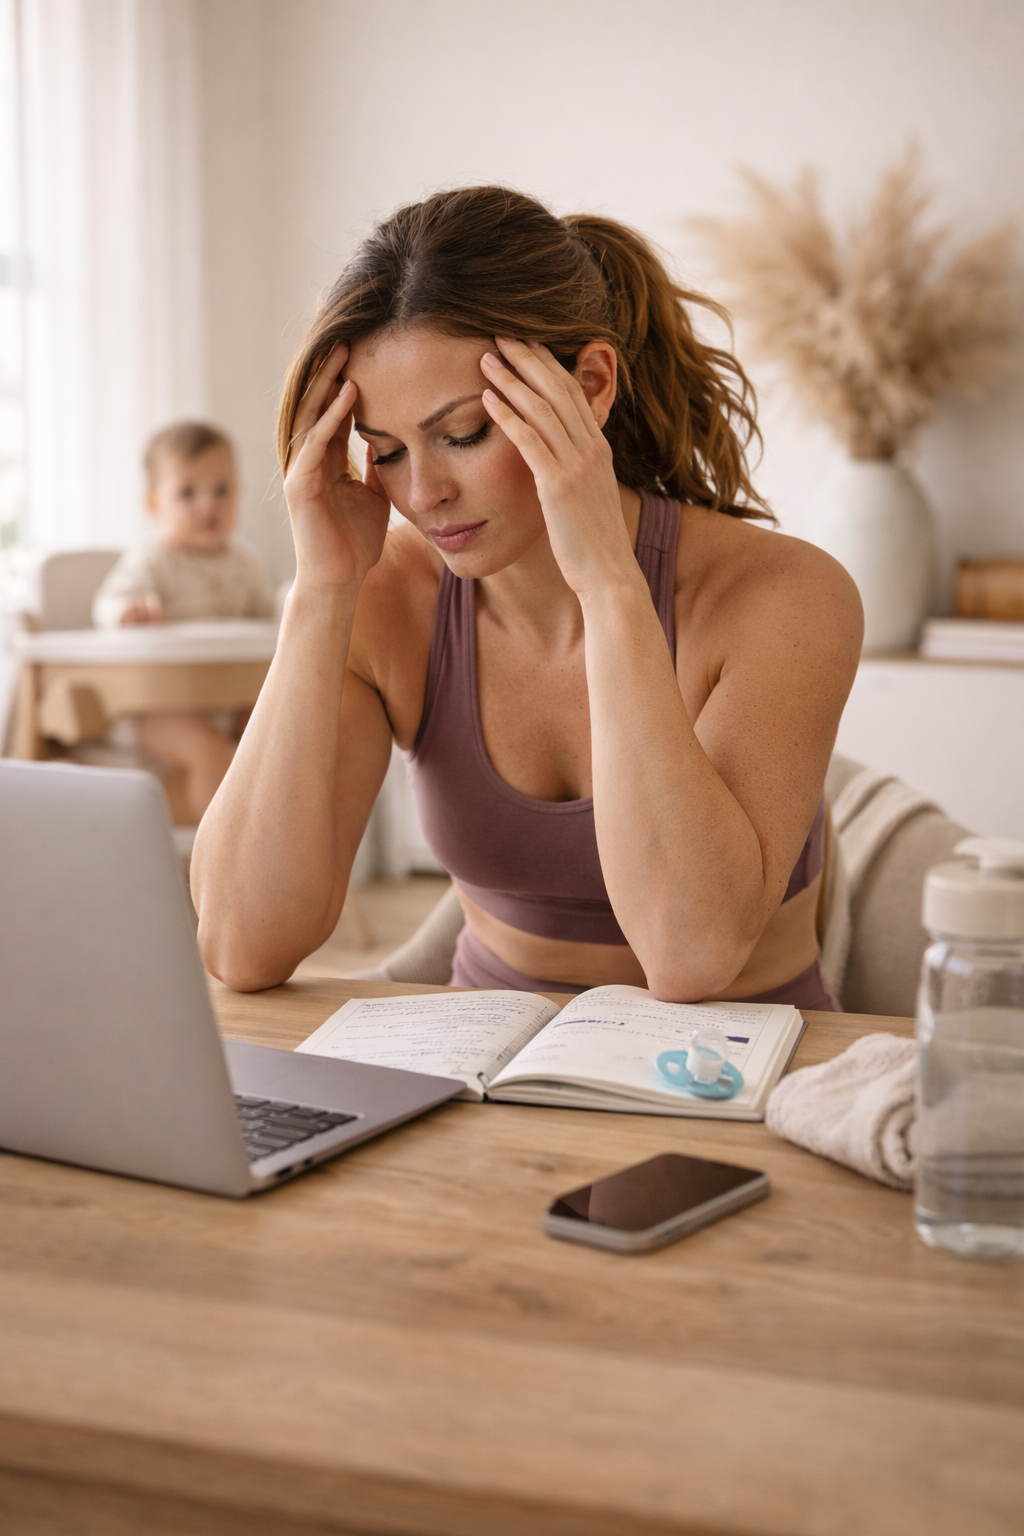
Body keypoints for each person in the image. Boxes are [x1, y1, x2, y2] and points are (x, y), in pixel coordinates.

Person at [191, 187, 862, 1006]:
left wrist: (612, 586)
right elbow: (239, 945)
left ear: (589, 387)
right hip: (483, 1080)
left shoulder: (782, 595)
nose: (424, 492)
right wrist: (322, 594)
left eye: (463, 434)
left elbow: (692, 956)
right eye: (388, 451)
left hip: (732, 1086)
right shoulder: (385, 598)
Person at [93, 421, 276, 823]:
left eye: (221, 490)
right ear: (154, 504)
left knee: (278, 729)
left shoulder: (244, 563)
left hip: (226, 697)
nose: (208, 504)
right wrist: (126, 613)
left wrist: (291, 606)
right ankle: (221, 853)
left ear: (239, 492)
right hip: (159, 707)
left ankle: (270, 833)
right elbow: (107, 603)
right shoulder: (153, 559)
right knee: (208, 748)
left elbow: (271, 622)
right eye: (187, 493)